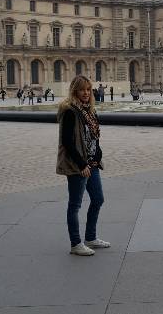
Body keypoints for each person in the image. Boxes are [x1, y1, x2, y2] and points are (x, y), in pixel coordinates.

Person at [57, 75, 108, 256]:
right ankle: (76, 243)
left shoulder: (90, 110)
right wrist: (81, 164)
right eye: (82, 90)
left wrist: (98, 152)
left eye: (88, 89)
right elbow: (67, 142)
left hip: (92, 163)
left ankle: (91, 237)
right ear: (74, 91)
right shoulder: (71, 111)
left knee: (98, 199)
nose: (86, 93)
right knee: (75, 205)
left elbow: (93, 136)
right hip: (78, 165)